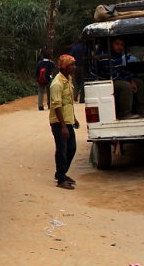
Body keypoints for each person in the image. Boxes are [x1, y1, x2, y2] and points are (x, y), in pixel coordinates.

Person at [95, 37, 144, 119]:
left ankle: (140, 109)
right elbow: (112, 74)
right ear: (110, 44)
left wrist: (130, 79)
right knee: (126, 86)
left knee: (138, 82)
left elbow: (121, 70)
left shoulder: (117, 55)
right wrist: (129, 82)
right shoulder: (104, 55)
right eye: (117, 44)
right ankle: (125, 113)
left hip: (115, 78)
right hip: (105, 81)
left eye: (122, 45)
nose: (120, 47)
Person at [49, 54, 79, 190]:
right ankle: (61, 178)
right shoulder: (57, 84)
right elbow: (57, 106)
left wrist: (74, 118)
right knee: (62, 149)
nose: (74, 67)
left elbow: (68, 102)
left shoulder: (68, 79)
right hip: (59, 123)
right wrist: (63, 126)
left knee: (71, 148)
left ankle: (61, 173)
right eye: (72, 65)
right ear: (65, 67)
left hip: (67, 121)